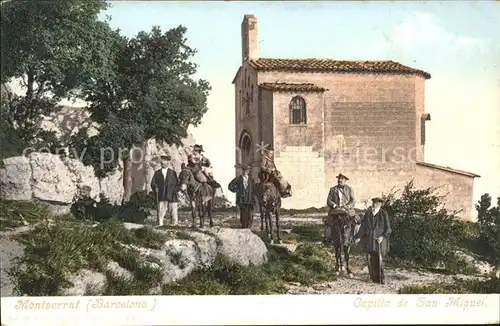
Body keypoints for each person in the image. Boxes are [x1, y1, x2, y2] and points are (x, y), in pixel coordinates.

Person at [354, 197, 392, 284]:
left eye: (377, 203)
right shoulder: (368, 213)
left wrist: (382, 237)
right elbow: (363, 226)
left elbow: (388, 229)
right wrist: (358, 236)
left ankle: (381, 278)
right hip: (370, 240)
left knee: (379, 259)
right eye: (374, 203)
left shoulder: (383, 214)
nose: (375, 204)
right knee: (371, 260)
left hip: (380, 241)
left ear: (380, 204)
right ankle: (373, 277)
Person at [324, 173, 357, 244]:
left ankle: (355, 238)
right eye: (339, 178)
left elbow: (353, 200)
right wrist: (334, 205)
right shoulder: (332, 189)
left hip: (347, 209)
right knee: (328, 221)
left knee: (356, 221)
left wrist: (347, 206)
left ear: (345, 180)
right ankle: (327, 237)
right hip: (336, 210)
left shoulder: (349, 189)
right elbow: (329, 201)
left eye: (342, 179)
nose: (340, 180)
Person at [150, 154, 179, 226]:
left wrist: (175, 190)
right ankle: (160, 224)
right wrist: (155, 187)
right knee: (161, 210)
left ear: (168, 162)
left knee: (173, 211)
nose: (163, 162)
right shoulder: (157, 173)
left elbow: (177, 183)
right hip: (161, 194)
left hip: (172, 195)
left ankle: (174, 224)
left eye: (165, 160)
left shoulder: (172, 172)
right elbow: (153, 183)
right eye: (162, 160)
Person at [228, 164, 258, 228]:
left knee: (250, 215)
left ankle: (249, 228)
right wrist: (237, 190)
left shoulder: (251, 180)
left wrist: (254, 196)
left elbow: (255, 189)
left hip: (250, 200)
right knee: (243, 215)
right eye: (244, 170)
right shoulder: (238, 179)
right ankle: (244, 227)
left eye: (247, 170)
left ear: (248, 171)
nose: (246, 172)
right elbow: (230, 186)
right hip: (242, 200)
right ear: (242, 171)